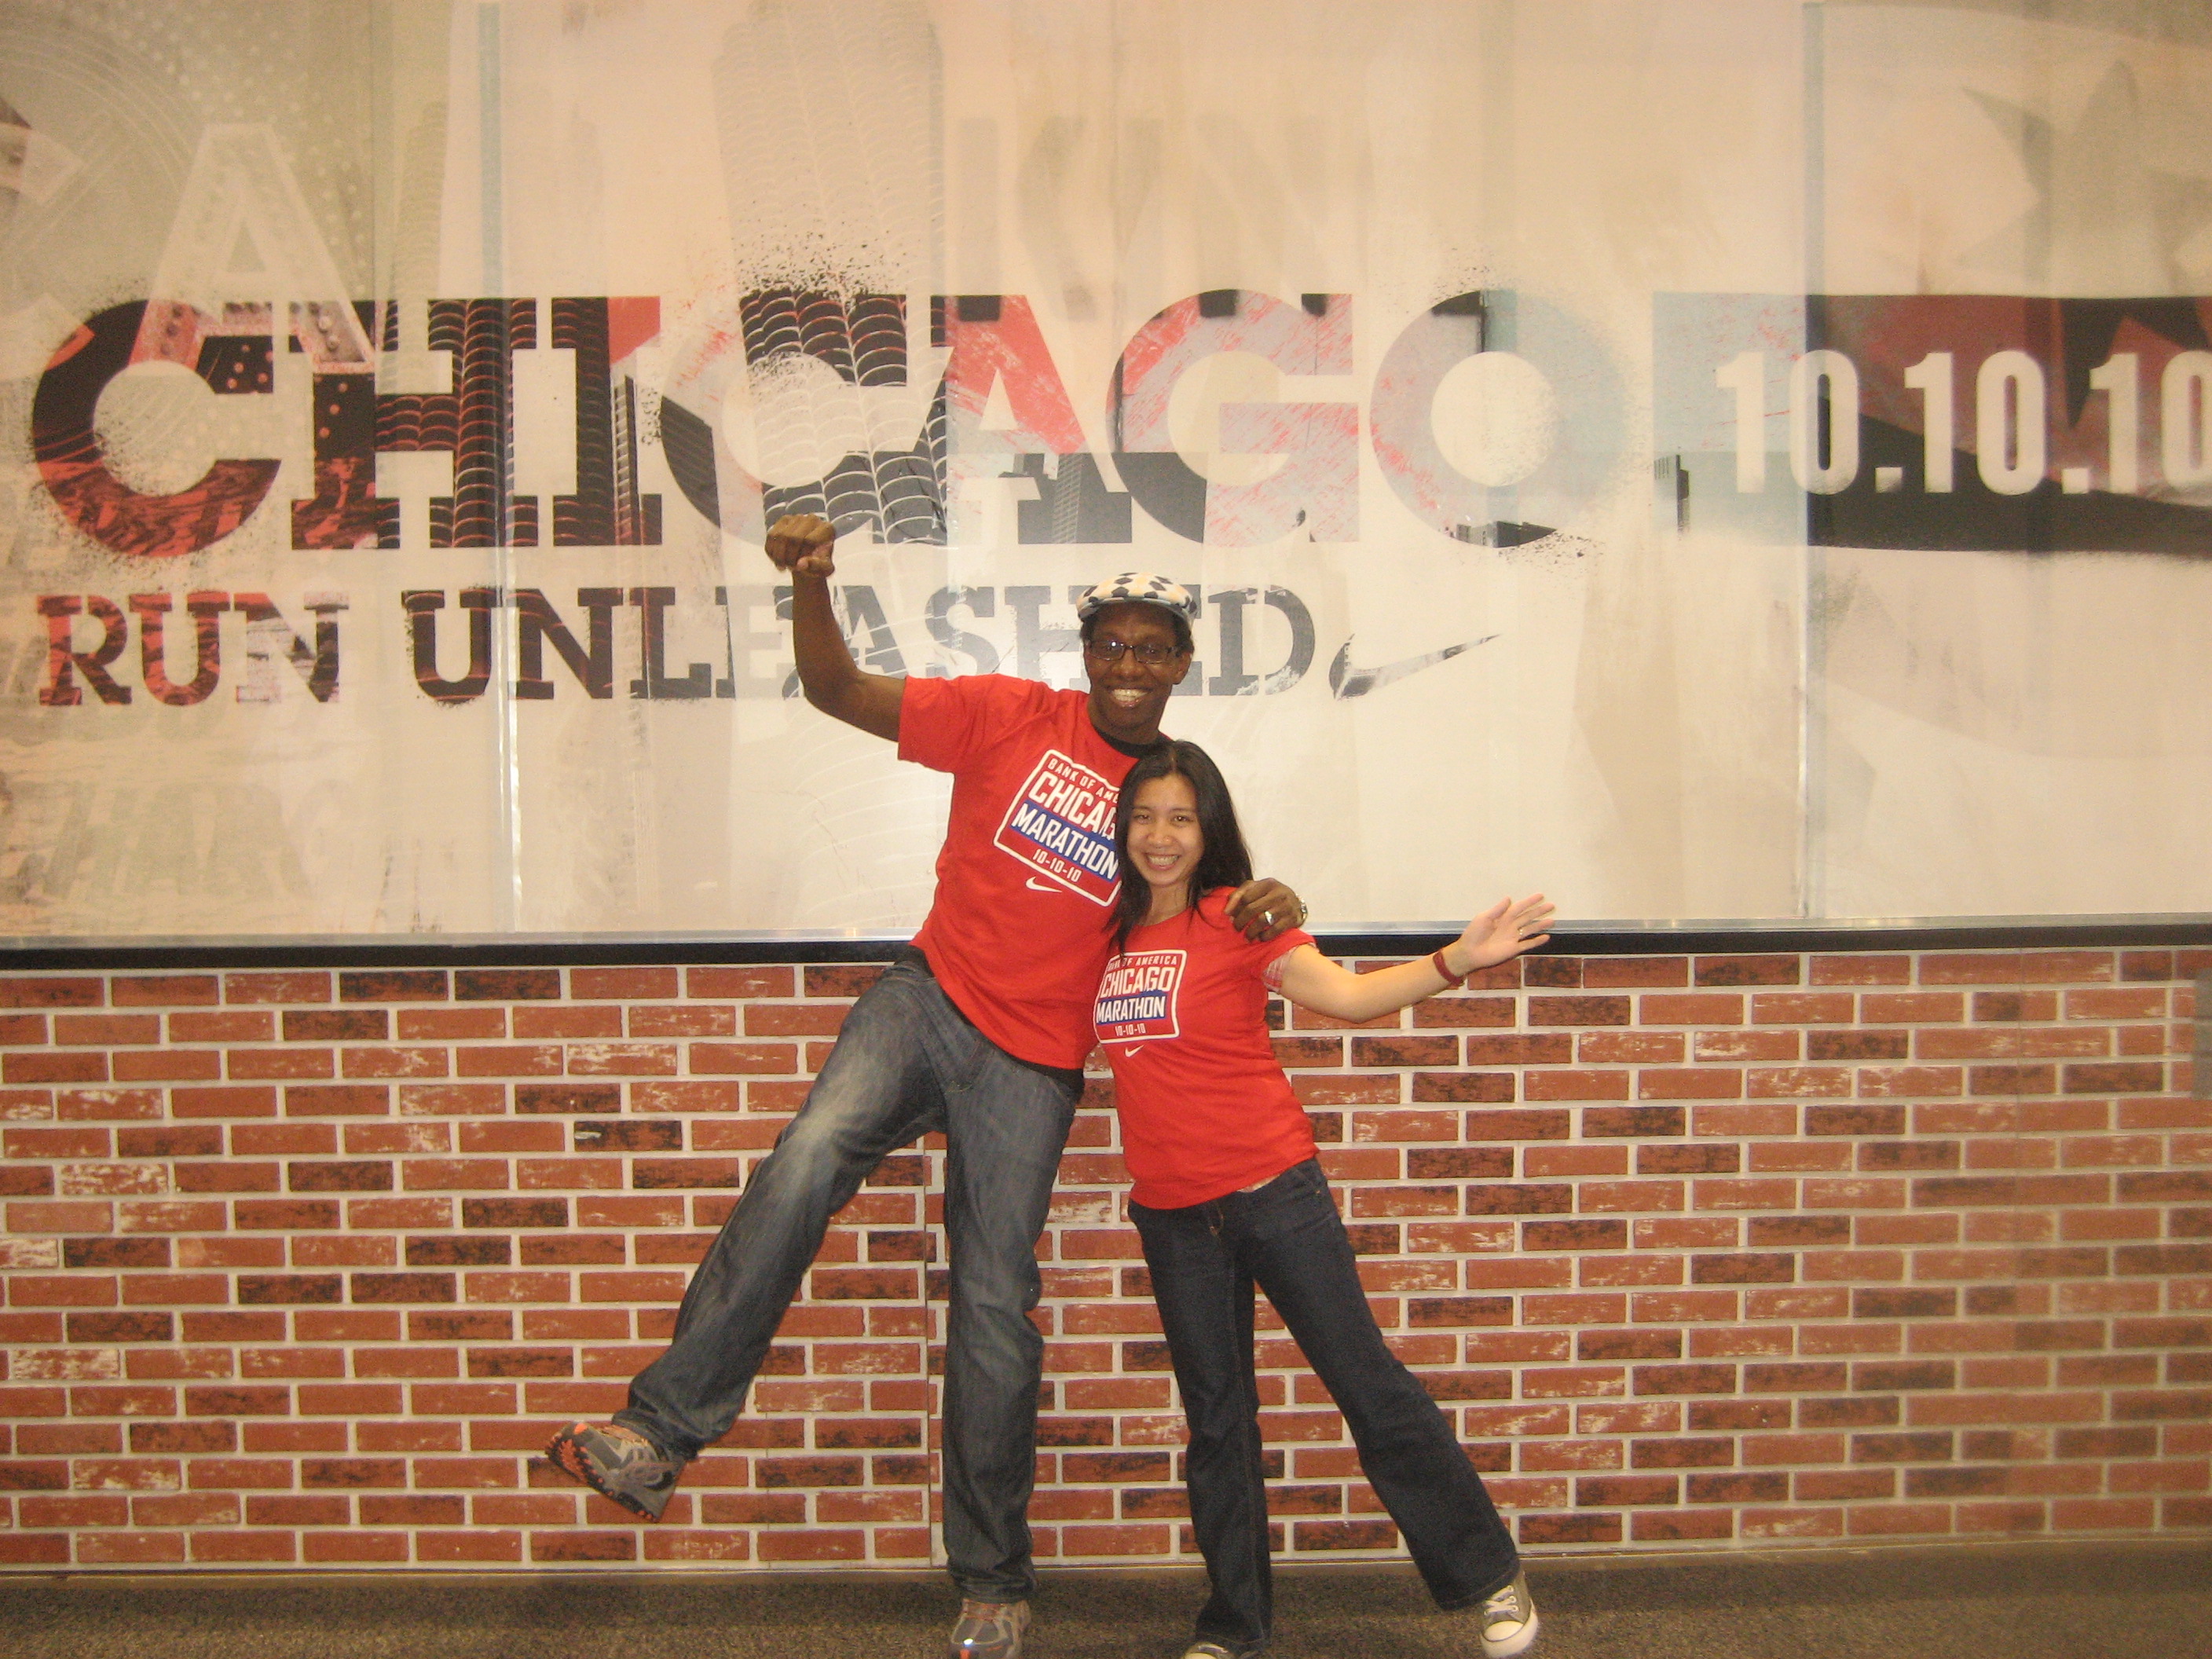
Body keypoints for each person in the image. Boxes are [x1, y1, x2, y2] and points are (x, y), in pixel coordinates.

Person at [545, 515, 1305, 1659]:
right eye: (1113, 644)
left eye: (1153, 649)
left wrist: (1271, 902)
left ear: (1182, 664)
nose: (1130, 666)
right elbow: (836, 689)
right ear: (1086, 651)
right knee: (808, 1156)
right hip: (929, 997)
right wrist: (812, 581)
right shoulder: (1009, 714)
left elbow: (1220, 906)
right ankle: (657, 1433)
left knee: (994, 1302)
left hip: (1036, 1062)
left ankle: (992, 1583)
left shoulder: (1164, 793)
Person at [1093, 739, 1554, 1659]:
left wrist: (1455, 960)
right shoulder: (1105, 942)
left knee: (1365, 1385)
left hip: (1274, 1193)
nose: (1159, 836)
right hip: (1173, 1218)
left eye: (1180, 818)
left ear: (1207, 830)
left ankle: (1488, 1580)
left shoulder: (1238, 918)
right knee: (1216, 1422)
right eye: (1143, 817)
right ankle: (1233, 1625)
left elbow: (1347, 1000)